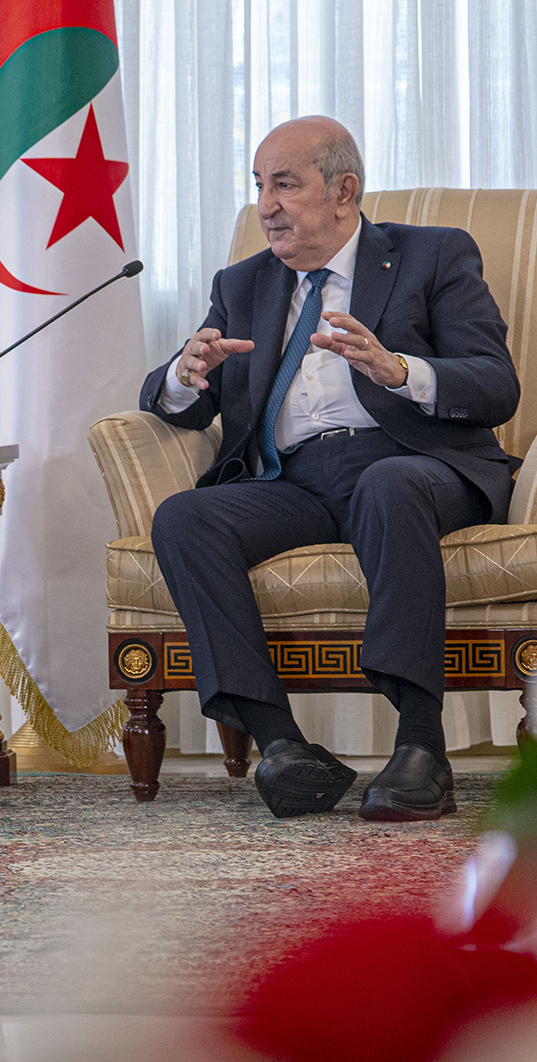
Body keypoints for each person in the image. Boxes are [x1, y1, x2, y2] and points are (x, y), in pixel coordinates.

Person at [142, 116, 518, 822]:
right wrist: (184, 375)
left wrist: (399, 369)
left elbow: (497, 384)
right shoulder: (243, 281)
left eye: (285, 184)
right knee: (185, 516)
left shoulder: (430, 257)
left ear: (344, 190)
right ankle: (282, 746)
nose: (266, 206)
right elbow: (183, 404)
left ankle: (420, 745)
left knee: (388, 484)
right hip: (295, 481)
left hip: (415, 464)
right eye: (259, 185)